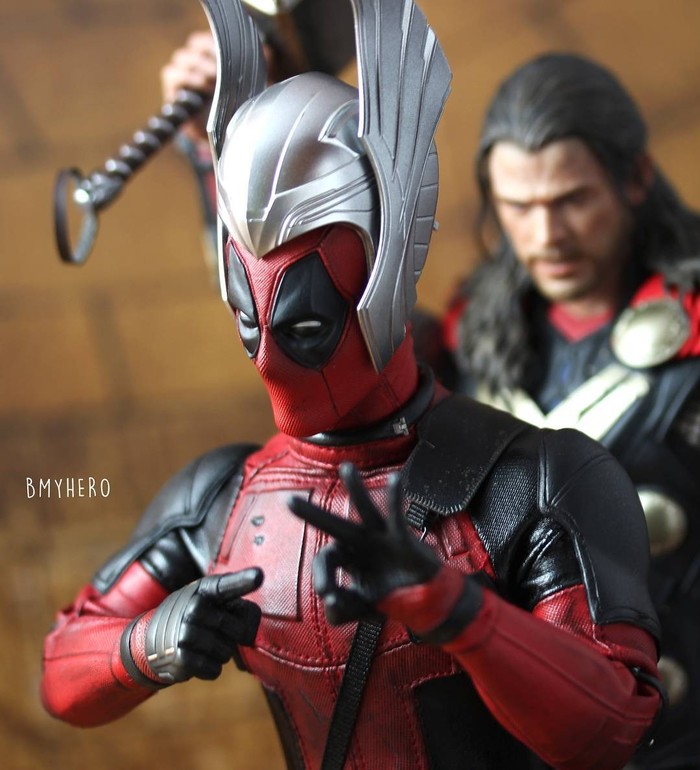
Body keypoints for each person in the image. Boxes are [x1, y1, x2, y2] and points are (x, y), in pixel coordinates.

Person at [41, 4, 663, 768]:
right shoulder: (224, 497)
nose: (271, 359)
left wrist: (456, 610)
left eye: (304, 327)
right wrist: (148, 644)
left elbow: (611, 726)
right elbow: (63, 671)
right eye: (249, 323)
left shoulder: (534, 480)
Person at [443, 53, 700, 769]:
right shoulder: (473, 333)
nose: (546, 234)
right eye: (519, 208)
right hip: (528, 726)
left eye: (572, 200)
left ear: (635, 178)